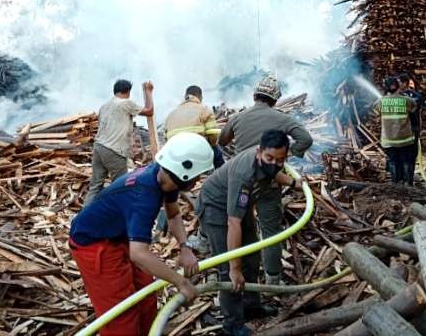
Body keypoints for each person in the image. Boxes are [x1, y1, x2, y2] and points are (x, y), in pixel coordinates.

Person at [69, 133, 214, 335]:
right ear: (186, 174)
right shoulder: (144, 195)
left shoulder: (164, 176)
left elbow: (173, 214)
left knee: (145, 295)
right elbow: (138, 254)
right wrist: (181, 283)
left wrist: (184, 247)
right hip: (94, 244)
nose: (198, 180)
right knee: (121, 312)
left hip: (121, 237)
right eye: (198, 176)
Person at [196, 130, 303, 336]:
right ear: (258, 152)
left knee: (252, 256)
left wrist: (292, 182)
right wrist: (235, 267)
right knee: (228, 270)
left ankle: (251, 306)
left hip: (238, 208)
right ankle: (232, 325)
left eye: (280, 160)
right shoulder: (243, 174)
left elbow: (273, 172)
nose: (274, 163)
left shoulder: (270, 163)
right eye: (269, 158)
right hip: (215, 208)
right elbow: (233, 222)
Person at [217, 75, 312, 286]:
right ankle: (272, 281)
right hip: (268, 181)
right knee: (271, 231)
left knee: (236, 223)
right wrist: (286, 157)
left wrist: (236, 154)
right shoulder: (282, 119)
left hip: (241, 179)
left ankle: (233, 271)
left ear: (254, 96)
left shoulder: (239, 117)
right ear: (275, 100)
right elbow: (306, 139)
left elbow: (221, 140)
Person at [84, 79, 154, 205]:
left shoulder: (104, 106)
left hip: (99, 148)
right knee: (120, 186)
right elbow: (149, 110)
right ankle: (117, 218)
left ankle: (83, 217)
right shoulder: (126, 103)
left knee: (95, 186)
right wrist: (149, 92)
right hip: (114, 150)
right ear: (127, 91)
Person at [164, 85, 224, 169]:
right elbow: (213, 136)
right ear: (200, 97)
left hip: (175, 154)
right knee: (217, 152)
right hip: (196, 151)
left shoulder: (170, 115)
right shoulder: (204, 110)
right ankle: (221, 177)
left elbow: (166, 139)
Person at [371, 77, 417, 185]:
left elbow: (376, 112)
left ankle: (396, 183)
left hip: (389, 140)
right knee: (406, 160)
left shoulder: (381, 101)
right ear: (398, 86)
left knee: (392, 161)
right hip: (405, 139)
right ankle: (407, 183)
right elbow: (414, 108)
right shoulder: (406, 100)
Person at [398, 73, 425, 185]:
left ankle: (409, 180)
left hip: (412, 129)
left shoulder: (416, 96)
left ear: (405, 83)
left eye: (399, 82)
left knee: (410, 155)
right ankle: (401, 179)